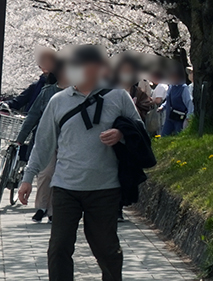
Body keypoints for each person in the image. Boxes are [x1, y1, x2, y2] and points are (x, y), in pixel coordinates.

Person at [18, 44, 143, 281]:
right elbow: (42, 144)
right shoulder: (58, 101)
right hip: (66, 187)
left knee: (107, 250)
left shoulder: (118, 96)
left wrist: (121, 134)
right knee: (59, 248)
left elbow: (140, 130)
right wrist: (27, 179)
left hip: (105, 187)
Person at [16, 59, 69, 223]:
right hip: (47, 138)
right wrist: (21, 137)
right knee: (46, 173)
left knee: (60, 175)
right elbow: (32, 115)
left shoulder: (77, 94)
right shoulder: (47, 92)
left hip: (68, 141)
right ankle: (41, 207)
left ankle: (53, 210)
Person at [0, 48, 58, 113]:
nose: (46, 65)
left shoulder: (60, 85)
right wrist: (3, 104)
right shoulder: (36, 85)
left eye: (49, 61)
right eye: (43, 62)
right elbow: (18, 101)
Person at [160, 68, 193, 137]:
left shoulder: (184, 88)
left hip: (179, 117)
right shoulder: (171, 86)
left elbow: (189, 102)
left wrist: (189, 116)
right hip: (169, 116)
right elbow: (168, 99)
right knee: (164, 135)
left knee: (179, 136)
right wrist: (163, 106)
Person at [149, 70, 168, 136]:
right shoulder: (163, 85)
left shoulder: (160, 86)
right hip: (163, 109)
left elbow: (158, 100)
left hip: (161, 110)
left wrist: (150, 102)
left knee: (160, 126)